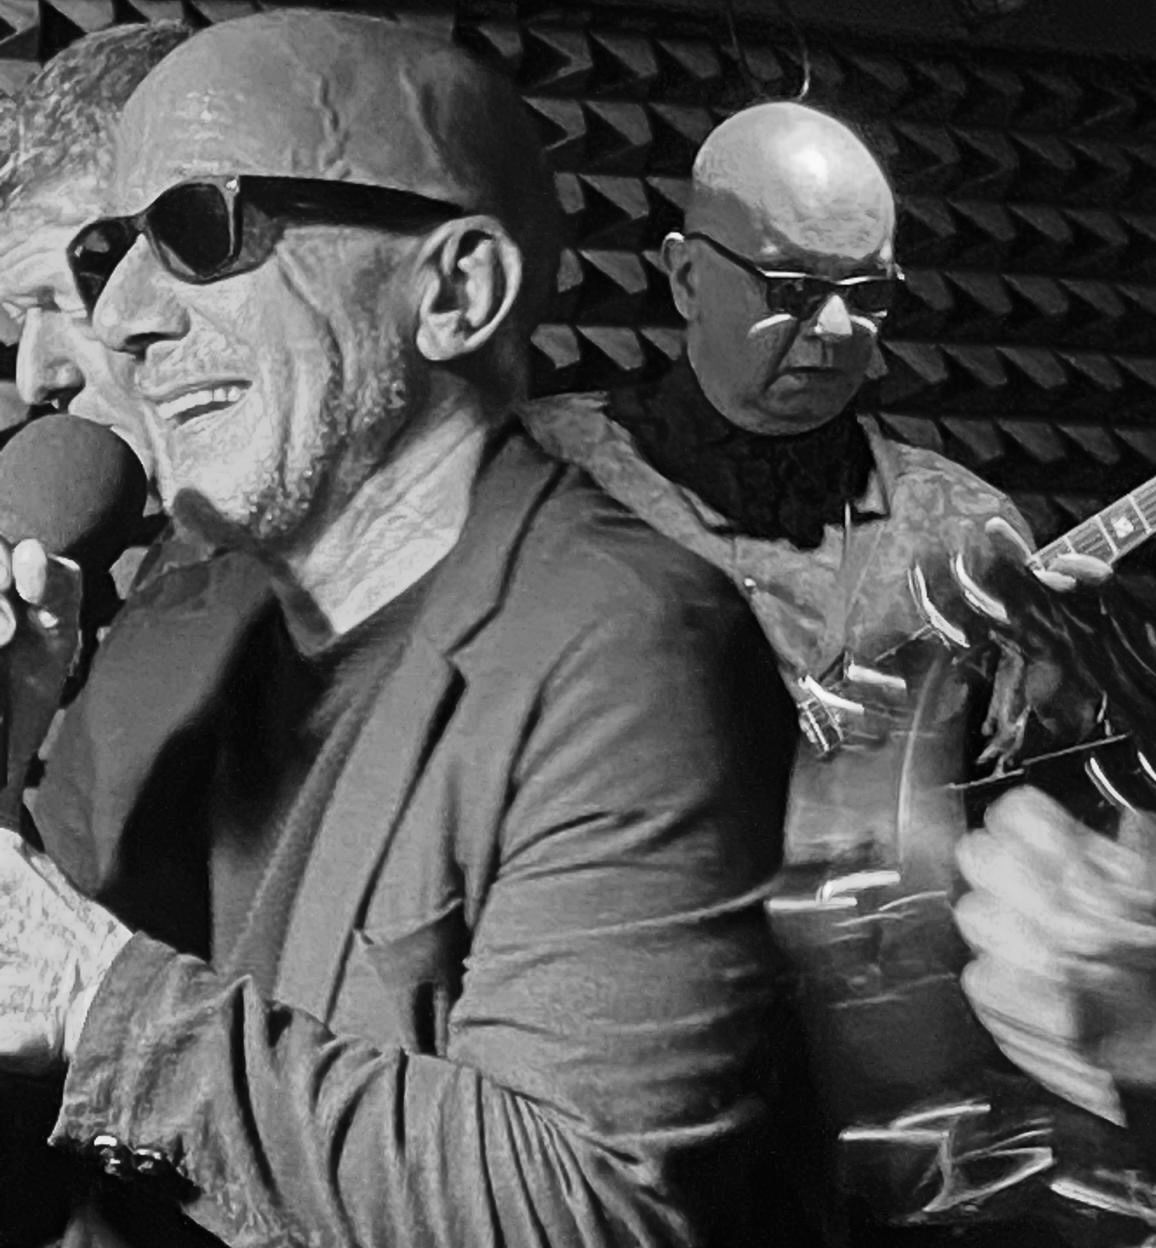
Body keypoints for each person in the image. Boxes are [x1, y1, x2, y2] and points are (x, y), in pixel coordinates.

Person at [0, 11, 811, 1248]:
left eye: (199, 233)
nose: (119, 321)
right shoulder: (167, 644)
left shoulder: (630, 647)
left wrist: (101, 1003)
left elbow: (586, 1204)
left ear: (454, 290)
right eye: (109, 255)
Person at [524, 100, 1032, 871]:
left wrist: (1068, 702)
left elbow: (1014, 823)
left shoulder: (965, 530)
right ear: (687, 278)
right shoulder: (534, 471)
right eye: (793, 290)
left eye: (868, 294)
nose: (838, 329)